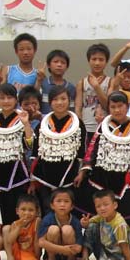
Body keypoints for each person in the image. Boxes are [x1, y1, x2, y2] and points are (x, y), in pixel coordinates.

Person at [77, 92, 130, 254]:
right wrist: (83, 171)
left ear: (127, 107)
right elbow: (92, 149)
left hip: (125, 180)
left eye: (120, 106)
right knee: (92, 216)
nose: (117, 110)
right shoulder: (103, 126)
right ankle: (87, 254)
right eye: (113, 107)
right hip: (101, 179)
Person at [0, 84, 34, 224]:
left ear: (16, 99)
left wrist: (26, 124)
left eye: (9, 97)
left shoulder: (21, 117)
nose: (6, 101)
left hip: (15, 173)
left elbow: (29, 145)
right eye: (2, 98)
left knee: (12, 211)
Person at [30, 85, 85, 213]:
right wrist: (33, 180)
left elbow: (82, 152)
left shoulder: (78, 124)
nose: (59, 102)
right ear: (50, 103)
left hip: (69, 176)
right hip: (45, 176)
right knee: (47, 211)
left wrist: (81, 173)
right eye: (55, 99)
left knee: (68, 212)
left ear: (69, 101)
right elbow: (35, 152)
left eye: (63, 99)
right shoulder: (43, 124)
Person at [37, 187, 84, 260]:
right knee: (53, 229)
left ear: (72, 206)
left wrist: (70, 250)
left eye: (66, 201)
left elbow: (79, 247)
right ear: (52, 205)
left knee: (67, 229)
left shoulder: (75, 221)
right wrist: (62, 249)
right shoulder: (47, 219)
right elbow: (41, 242)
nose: (62, 204)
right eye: (58, 201)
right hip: (54, 253)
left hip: (70, 253)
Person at [75, 43, 112, 141]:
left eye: (101, 59)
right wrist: (80, 127)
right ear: (89, 60)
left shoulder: (110, 82)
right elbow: (78, 108)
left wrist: (96, 87)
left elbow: (108, 106)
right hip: (86, 128)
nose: (97, 63)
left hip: (105, 128)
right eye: (94, 59)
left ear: (106, 61)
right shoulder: (82, 82)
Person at [0, 33, 39, 99]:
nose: (25, 52)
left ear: (35, 50)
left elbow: (37, 98)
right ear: (16, 52)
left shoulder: (39, 74)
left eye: (29, 49)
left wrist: (39, 80)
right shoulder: (7, 70)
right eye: (21, 49)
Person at [39, 49, 76, 115]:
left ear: (67, 67)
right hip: (44, 120)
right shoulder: (42, 84)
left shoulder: (71, 88)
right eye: (55, 62)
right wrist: (38, 81)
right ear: (48, 65)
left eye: (63, 62)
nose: (59, 65)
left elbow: (72, 109)